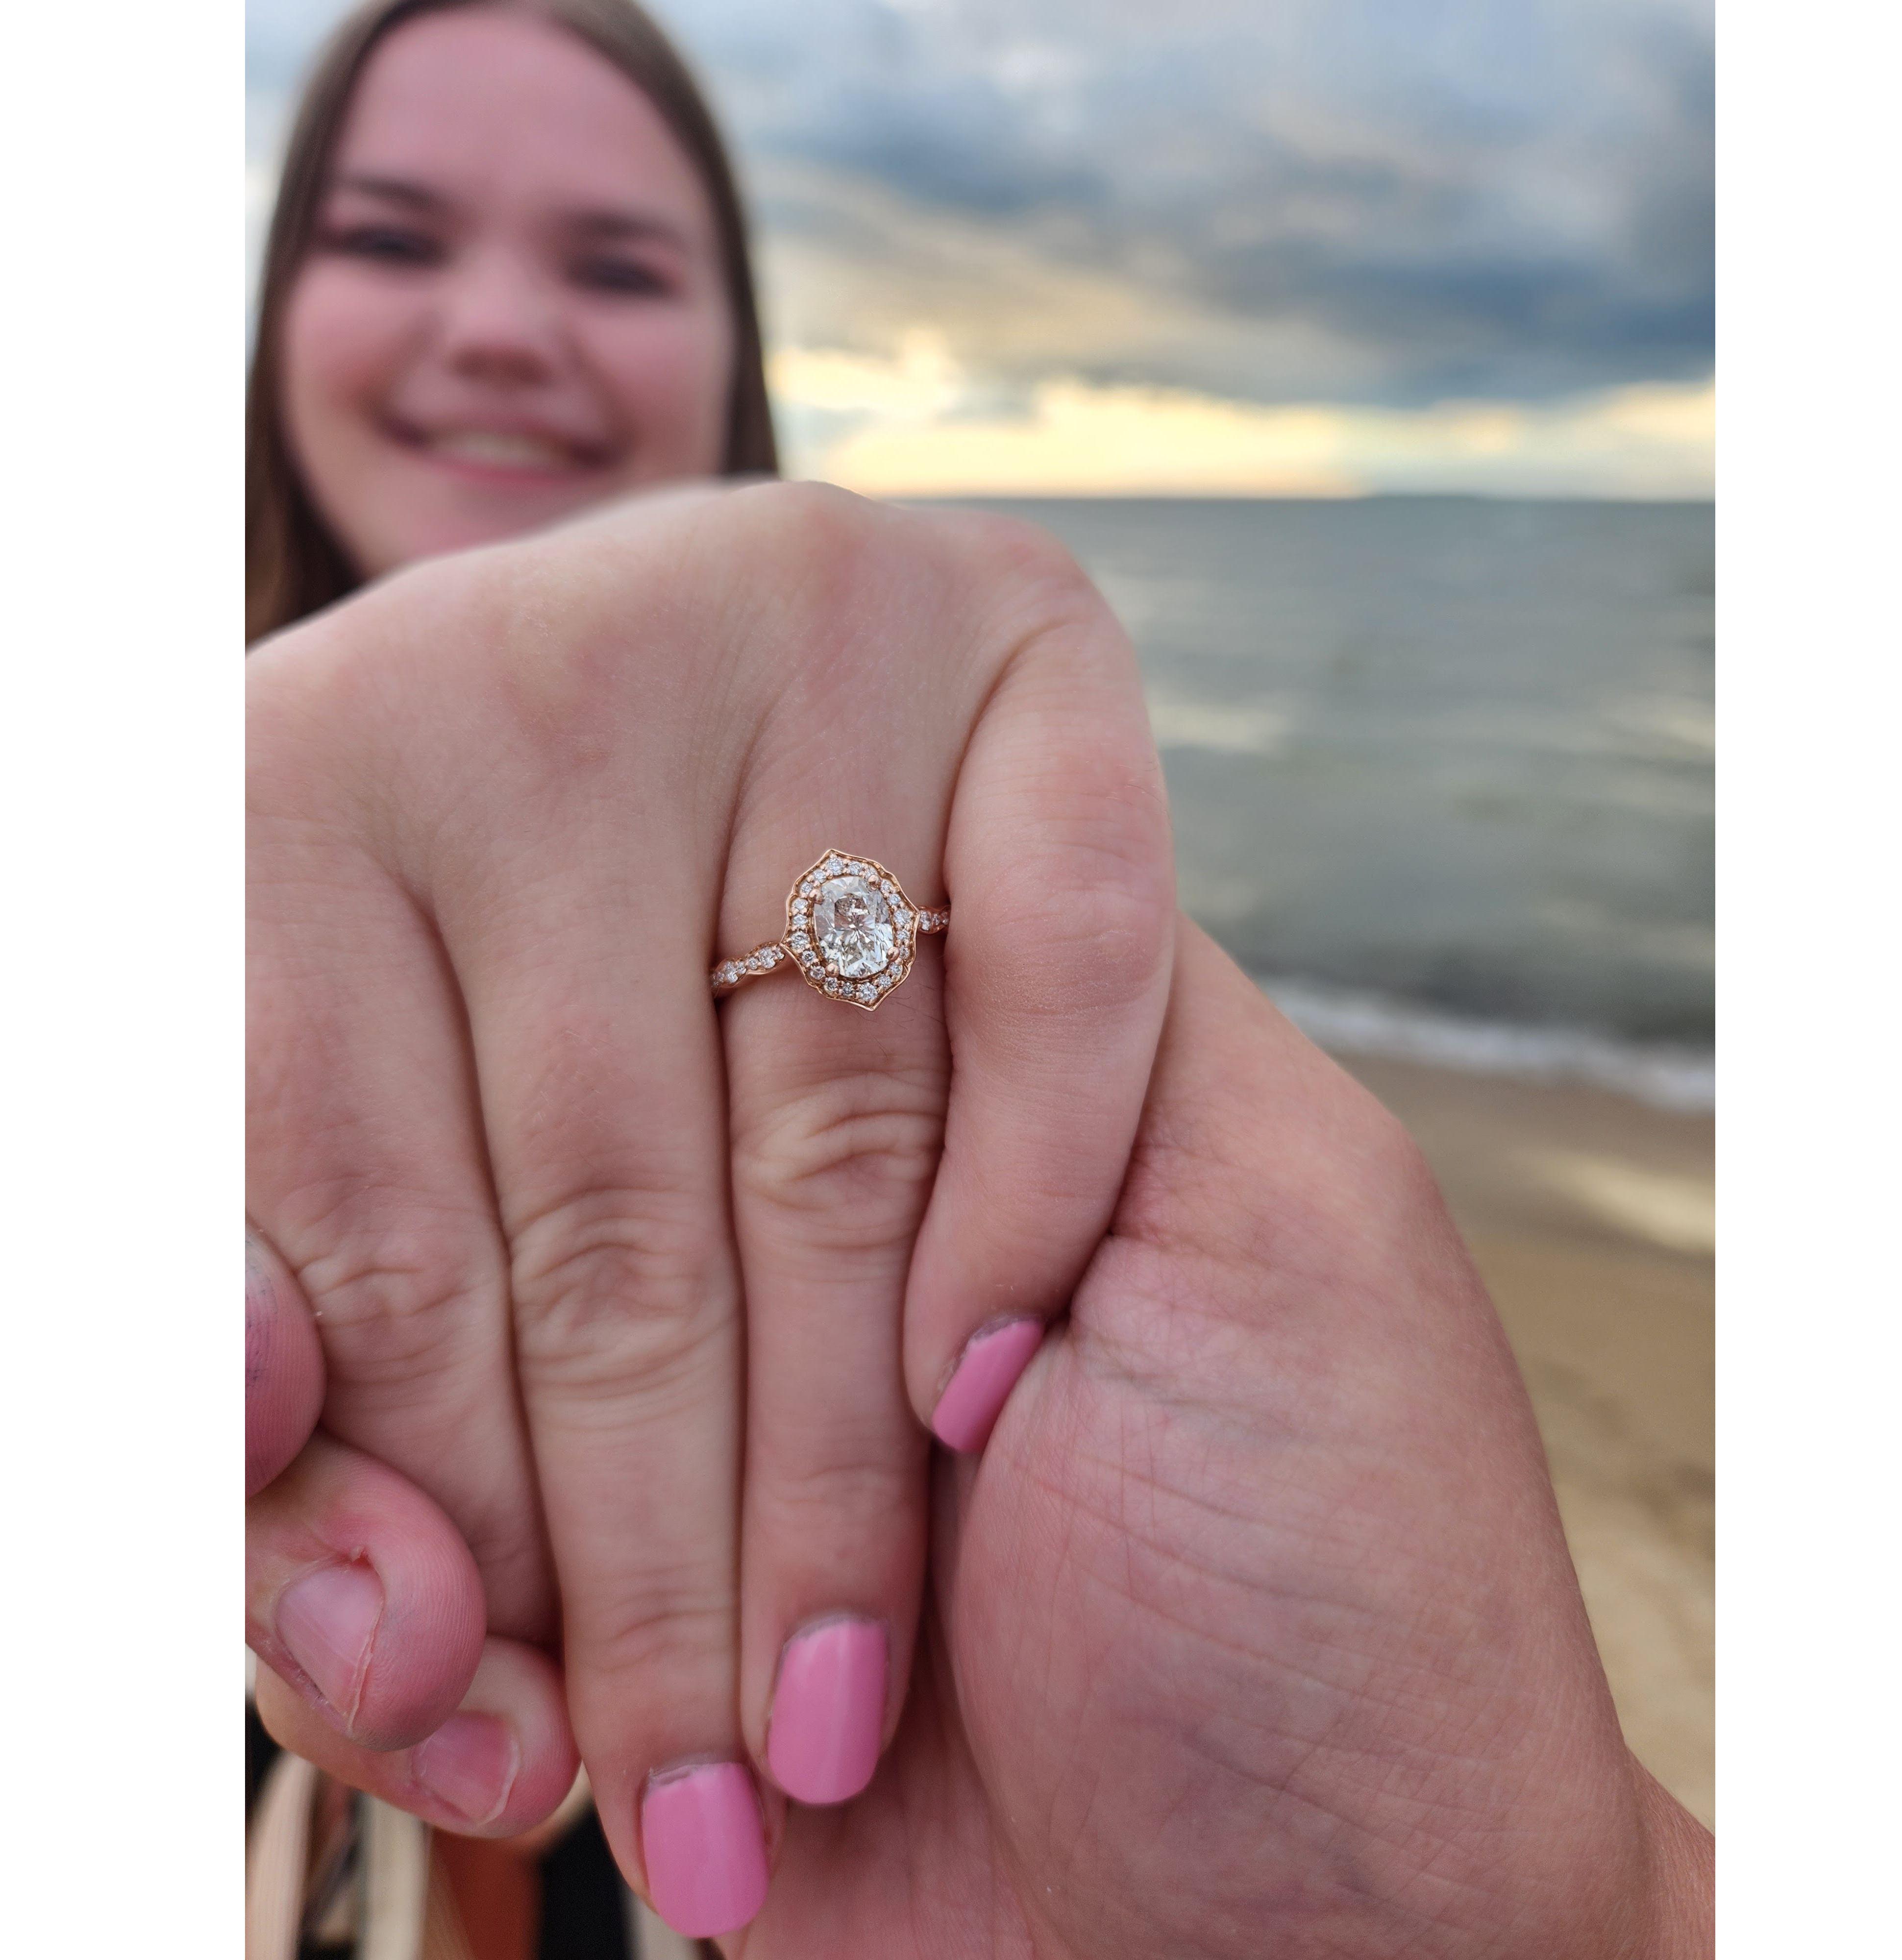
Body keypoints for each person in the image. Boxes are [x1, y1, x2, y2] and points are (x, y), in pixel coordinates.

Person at [246, 4, 1714, 1955]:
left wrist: (1581, 1914)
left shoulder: (1005, 1000)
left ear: (737, 361)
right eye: (392, 236)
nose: (506, 326)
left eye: (618, 267)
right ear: (269, 322)